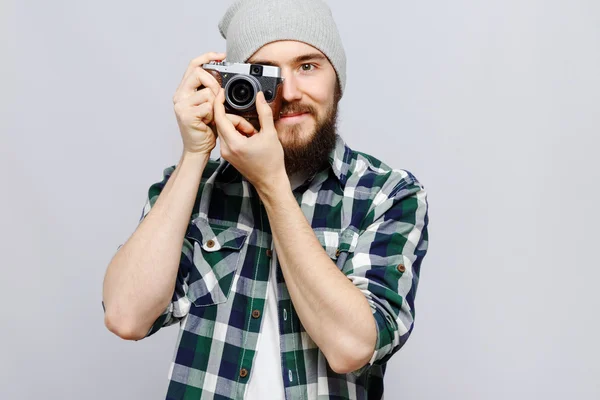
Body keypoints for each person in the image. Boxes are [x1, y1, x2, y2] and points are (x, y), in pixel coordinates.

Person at [102, 0, 430, 398]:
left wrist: (272, 185)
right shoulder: (194, 188)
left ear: (337, 80)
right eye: (266, 74)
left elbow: (353, 347)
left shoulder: (387, 194)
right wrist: (194, 155)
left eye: (308, 66)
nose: (289, 93)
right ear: (234, 86)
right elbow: (125, 316)